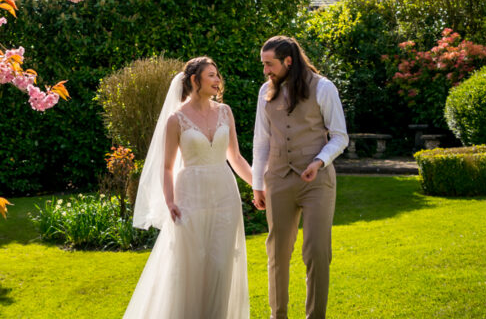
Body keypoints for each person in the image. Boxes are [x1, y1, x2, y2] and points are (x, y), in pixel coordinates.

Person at [123, 56, 254, 319]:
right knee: (192, 264)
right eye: (211, 75)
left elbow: (236, 158)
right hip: (190, 196)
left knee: (220, 264)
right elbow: (168, 166)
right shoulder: (176, 119)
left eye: (218, 75)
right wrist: (170, 201)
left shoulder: (225, 112)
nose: (218, 80)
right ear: (195, 80)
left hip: (224, 194)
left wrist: (259, 186)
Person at [251, 36, 349, 319]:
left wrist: (319, 161)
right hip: (278, 179)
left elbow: (340, 137)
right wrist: (258, 184)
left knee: (317, 251)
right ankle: (277, 315)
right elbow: (262, 142)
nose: (266, 71)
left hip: (316, 181)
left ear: (288, 61)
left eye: (269, 64)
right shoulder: (264, 92)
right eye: (263, 65)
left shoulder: (323, 87)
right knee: (277, 253)